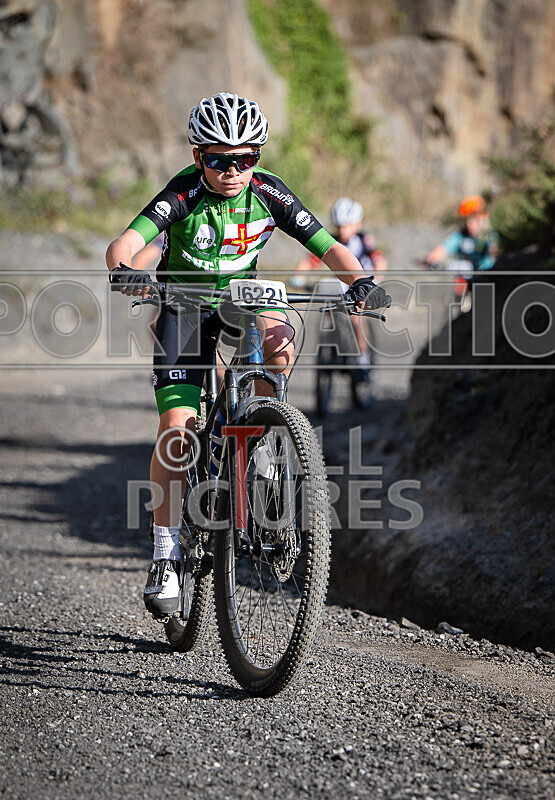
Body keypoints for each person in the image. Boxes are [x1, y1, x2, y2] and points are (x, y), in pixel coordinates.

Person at [105, 92, 390, 619]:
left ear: (257, 158)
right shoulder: (182, 193)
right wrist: (126, 269)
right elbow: (127, 241)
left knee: (280, 330)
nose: (233, 170)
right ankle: (167, 553)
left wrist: (362, 282)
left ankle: (261, 436)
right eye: (219, 159)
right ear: (199, 159)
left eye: (246, 158)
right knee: (176, 429)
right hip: (184, 306)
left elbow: (328, 246)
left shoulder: (268, 192)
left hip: (240, 300)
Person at [424, 194, 499, 274]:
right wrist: (431, 259)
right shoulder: (459, 237)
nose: (471, 224)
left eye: (476, 220)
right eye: (469, 220)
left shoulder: (490, 237)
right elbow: (443, 249)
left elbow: (495, 252)